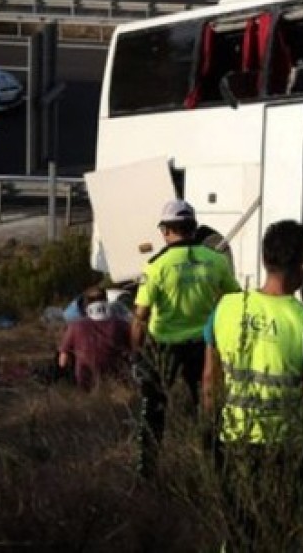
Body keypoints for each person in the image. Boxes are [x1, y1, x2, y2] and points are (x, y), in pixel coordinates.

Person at [203, 220, 303, 549]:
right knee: (283, 530)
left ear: (265, 260)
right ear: (302, 266)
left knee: (236, 527)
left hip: (234, 437)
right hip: (287, 444)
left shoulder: (226, 308)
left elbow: (209, 379)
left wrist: (210, 428)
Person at [131, 199, 241, 476]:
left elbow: (140, 317)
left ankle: (148, 470)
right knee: (207, 409)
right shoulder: (215, 261)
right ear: (193, 228)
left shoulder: (156, 266)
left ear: (167, 231)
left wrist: (135, 353)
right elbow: (235, 300)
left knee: (154, 410)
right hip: (205, 347)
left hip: (164, 347)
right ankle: (215, 468)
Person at [58, 299, 131, 390]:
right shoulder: (122, 325)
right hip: (117, 380)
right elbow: (133, 350)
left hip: (85, 382)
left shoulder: (75, 326)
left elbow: (62, 361)